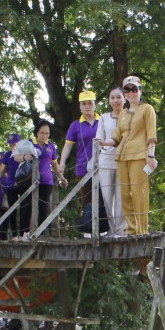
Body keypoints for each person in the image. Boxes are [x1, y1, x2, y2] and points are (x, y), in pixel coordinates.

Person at [103, 75, 157, 234]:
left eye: (134, 89)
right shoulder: (123, 113)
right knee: (125, 195)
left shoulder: (147, 109)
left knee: (139, 193)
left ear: (140, 90)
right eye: (127, 90)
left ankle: (141, 231)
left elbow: (151, 135)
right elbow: (116, 137)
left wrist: (151, 155)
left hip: (139, 156)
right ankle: (131, 230)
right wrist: (104, 143)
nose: (131, 93)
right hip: (122, 157)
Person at [59, 91, 107, 235]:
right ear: (80, 106)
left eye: (90, 103)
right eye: (84, 103)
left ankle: (103, 231)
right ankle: (87, 231)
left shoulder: (103, 121)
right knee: (86, 200)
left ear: (95, 104)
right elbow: (68, 145)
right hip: (83, 168)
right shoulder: (75, 125)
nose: (87, 106)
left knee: (104, 198)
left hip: (103, 166)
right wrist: (62, 163)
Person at [95, 87, 127, 237]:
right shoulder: (103, 117)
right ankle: (109, 231)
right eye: (112, 97)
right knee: (107, 198)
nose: (116, 100)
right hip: (105, 162)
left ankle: (120, 232)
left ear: (124, 98)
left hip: (124, 161)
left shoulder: (130, 116)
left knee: (121, 198)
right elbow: (99, 138)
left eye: (118, 97)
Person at [32, 119, 63, 231]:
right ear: (37, 132)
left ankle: (41, 232)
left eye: (47, 133)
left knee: (43, 207)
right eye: (42, 133)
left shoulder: (51, 146)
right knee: (29, 205)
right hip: (30, 180)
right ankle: (26, 232)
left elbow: (54, 164)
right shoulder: (30, 143)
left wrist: (62, 177)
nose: (44, 135)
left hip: (46, 181)